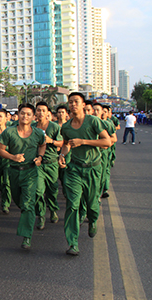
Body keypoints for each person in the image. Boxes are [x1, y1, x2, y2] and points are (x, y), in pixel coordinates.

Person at [59, 92, 111, 256]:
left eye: (76, 102)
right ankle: (73, 243)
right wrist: (62, 155)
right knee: (72, 204)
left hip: (93, 168)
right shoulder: (66, 127)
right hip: (74, 169)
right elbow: (66, 144)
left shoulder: (93, 121)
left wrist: (84, 142)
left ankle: (93, 219)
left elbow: (107, 142)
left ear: (82, 105)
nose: (73, 104)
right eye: (70, 102)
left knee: (92, 204)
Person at [0, 103, 46, 249]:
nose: (25, 116)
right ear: (18, 114)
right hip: (13, 171)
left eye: (29, 114)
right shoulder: (9, 132)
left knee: (27, 204)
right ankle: (36, 209)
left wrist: (40, 157)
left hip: (30, 171)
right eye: (23, 113)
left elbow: (43, 145)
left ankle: (26, 236)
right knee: (19, 201)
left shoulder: (38, 133)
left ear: (33, 117)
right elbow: (1, 151)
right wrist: (13, 157)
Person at [33, 102, 63, 230]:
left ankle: (53, 209)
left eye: (43, 110)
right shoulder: (32, 127)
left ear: (47, 113)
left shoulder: (55, 127)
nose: (40, 113)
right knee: (38, 191)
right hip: (37, 164)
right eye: (38, 110)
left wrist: (52, 141)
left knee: (52, 190)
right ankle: (41, 215)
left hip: (51, 163)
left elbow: (62, 143)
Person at [93, 103, 117, 199]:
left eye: (97, 110)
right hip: (90, 154)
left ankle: (100, 193)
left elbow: (114, 138)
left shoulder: (106, 124)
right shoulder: (86, 124)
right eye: (93, 110)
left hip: (102, 152)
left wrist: (103, 144)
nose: (95, 112)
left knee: (102, 174)